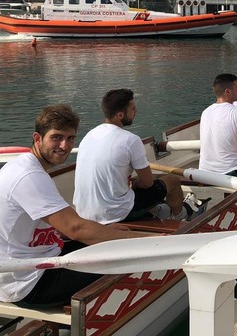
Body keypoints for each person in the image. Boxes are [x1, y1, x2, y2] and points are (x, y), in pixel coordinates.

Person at [0, 105, 150, 307]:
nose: (65, 146)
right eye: (56, 137)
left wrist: (106, 233)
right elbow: (76, 228)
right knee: (127, 259)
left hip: (36, 260)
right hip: (28, 283)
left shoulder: (28, 167)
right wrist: (147, 241)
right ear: (37, 138)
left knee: (111, 243)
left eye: (70, 138)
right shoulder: (28, 176)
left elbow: (65, 227)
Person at [74, 89, 195, 223]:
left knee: (137, 180)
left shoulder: (89, 136)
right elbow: (148, 183)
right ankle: (182, 216)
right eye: (133, 109)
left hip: (83, 212)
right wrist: (137, 183)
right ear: (120, 115)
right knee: (172, 180)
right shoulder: (130, 140)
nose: (136, 112)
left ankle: (157, 210)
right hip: (115, 214)